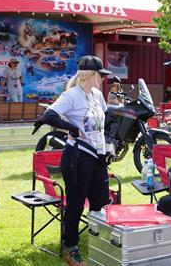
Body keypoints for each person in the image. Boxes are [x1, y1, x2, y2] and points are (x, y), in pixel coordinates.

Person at [41, 55, 112, 266]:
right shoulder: (71, 95)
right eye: (101, 74)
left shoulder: (97, 94)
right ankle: (70, 249)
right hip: (77, 157)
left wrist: (108, 145)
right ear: (91, 75)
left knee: (100, 203)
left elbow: (103, 121)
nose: (103, 78)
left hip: (97, 157)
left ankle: (100, 244)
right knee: (75, 204)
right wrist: (71, 128)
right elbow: (48, 116)